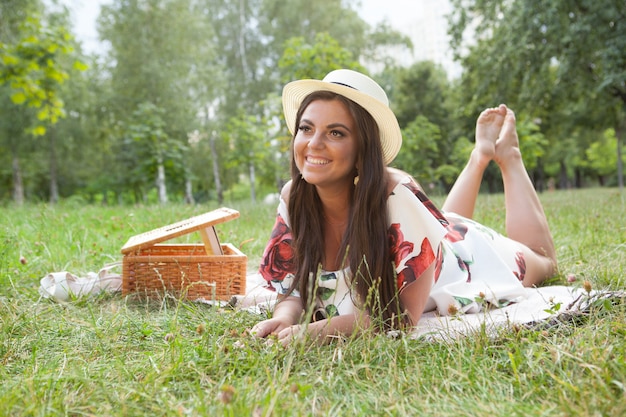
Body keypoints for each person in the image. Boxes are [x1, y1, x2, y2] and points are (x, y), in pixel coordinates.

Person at [250, 69, 557, 346]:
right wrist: (285, 317)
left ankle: (509, 156)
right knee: (445, 224)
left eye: (335, 133)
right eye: (306, 128)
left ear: (363, 148)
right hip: (433, 233)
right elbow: (292, 290)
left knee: (544, 262)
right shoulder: (295, 197)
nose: (314, 143)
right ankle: (479, 157)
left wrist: (316, 332)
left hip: (465, 257)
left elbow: (400, 318)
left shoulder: (398, 193)